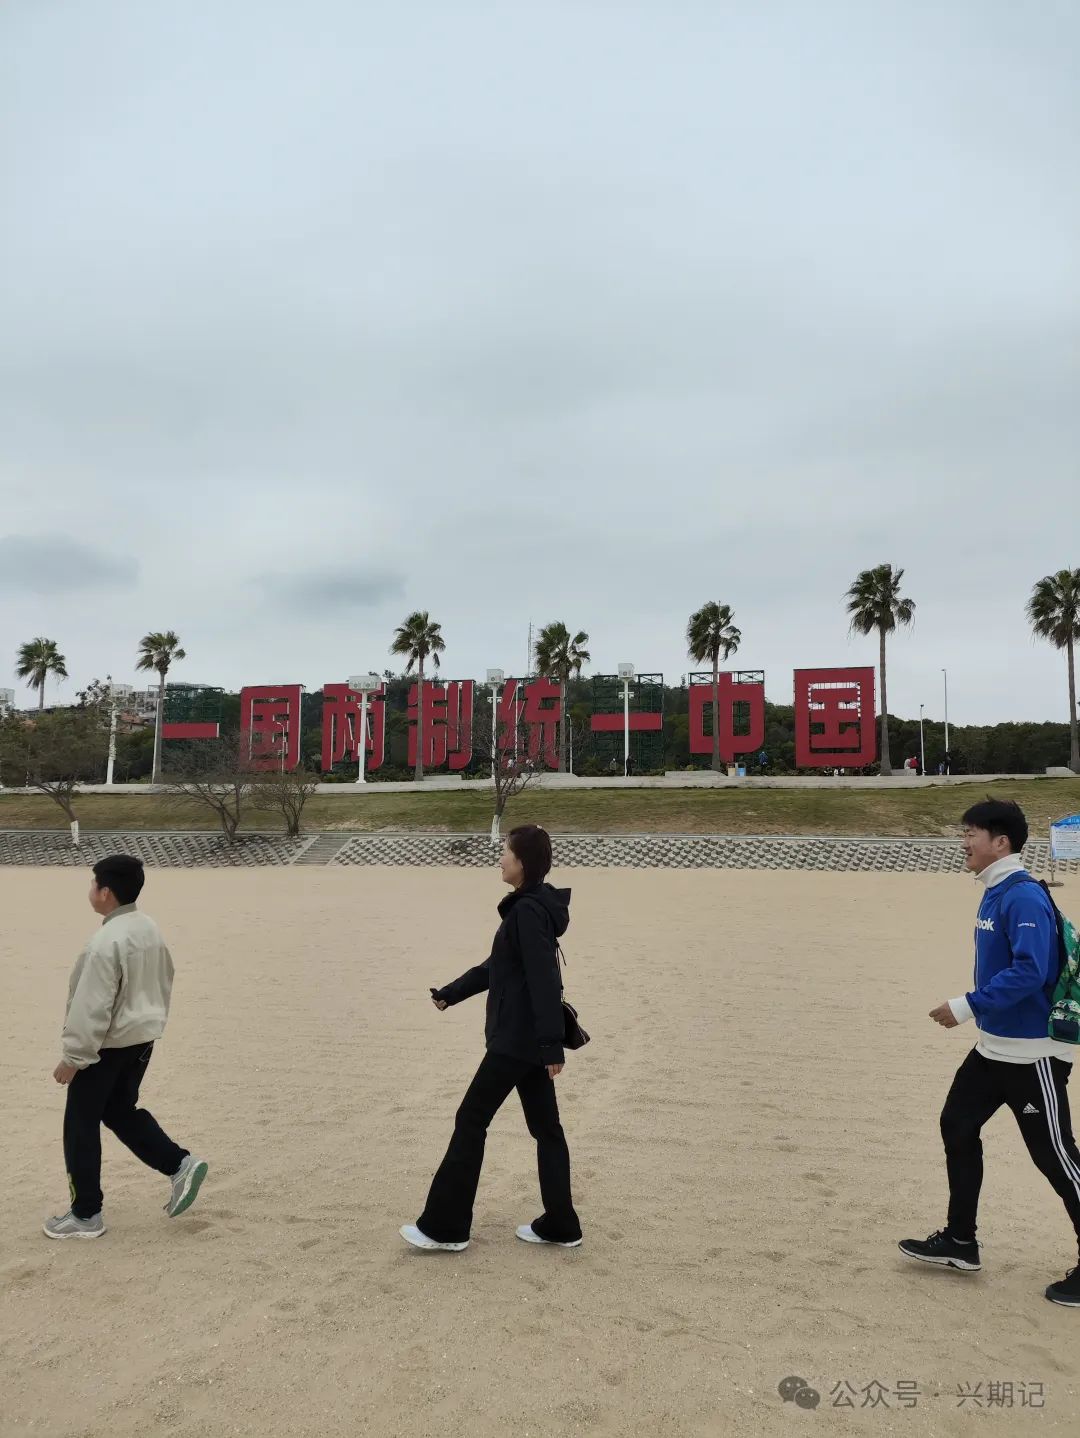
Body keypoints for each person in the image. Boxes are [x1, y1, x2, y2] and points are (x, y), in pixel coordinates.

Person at [899, 800, 1080, 1306]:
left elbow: (1031, 971)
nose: (964, 843)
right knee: (957, 1125)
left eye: (971, 834)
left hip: (1032, 1056)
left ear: (1000, 842)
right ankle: (961, 1241)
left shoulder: (1021, 896)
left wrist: (966, 1005)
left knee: (1057, 1157)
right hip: (993, 1050)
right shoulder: (995, 891)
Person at [400, 824, 582, 1253]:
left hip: (516, 1040)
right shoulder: (532, 907)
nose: (500, 858)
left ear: (522, 862)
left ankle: (445, 1227)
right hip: (529, 1041)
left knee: (471, 1119)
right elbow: (495, 967)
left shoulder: (527, 912)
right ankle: (561, 1224)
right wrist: (452, 993)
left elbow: (544, 979)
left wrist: (551, 1046)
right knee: (547, 1130)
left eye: (505, 851)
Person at [44, 855, 208, 1240]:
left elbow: (91, 1007)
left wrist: (73, 1058)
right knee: (118, 1111)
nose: (90, 890)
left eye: (93, 884)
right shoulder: (148, 927)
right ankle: (180, 1165)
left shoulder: (105, 942)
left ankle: (85, 1214)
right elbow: (165, 977)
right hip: (141, 1040)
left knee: (80, 1123)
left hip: (107, 1046)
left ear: (106, 892)